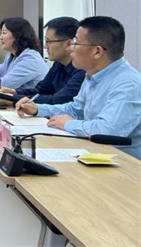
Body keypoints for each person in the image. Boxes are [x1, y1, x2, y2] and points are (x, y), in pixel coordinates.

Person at [17, 16, 141, 159]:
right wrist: (38, 109)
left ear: (97, 51)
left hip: (124, 164)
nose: (71, 48)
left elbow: (108, 131)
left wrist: (68, 124)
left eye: (76, 43)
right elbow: (75, 109)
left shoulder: (128, 83)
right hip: (96, 154)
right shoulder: (92, 74)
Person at [3, 17, 85, 106]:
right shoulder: (59, 64)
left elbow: (58, 100)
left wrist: (12, 99)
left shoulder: (82, 69)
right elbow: (41, 90)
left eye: (49, 41)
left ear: (68, 44)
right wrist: (14, 92)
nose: (45, 46)